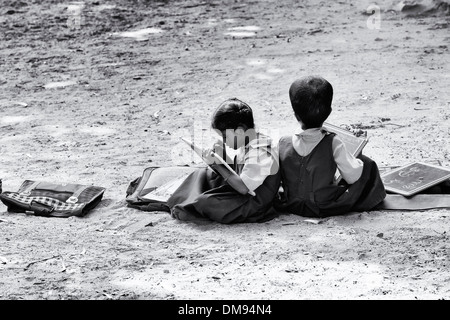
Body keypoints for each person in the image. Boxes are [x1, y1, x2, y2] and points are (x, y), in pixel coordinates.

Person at [275, 76, 386, 217]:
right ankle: (371, 200)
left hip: (292, 204)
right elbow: (352, 176)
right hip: (322, 207)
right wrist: (357, 157)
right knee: (367, 165)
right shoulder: (333, 141)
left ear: (296, 115)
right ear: (329, 112)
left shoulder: (284, 142)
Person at [167, 98, 280, 224]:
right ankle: (188, 201)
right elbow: (239, 171)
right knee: (203, 174)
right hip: (243, 191)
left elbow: (243, 188)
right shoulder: (249, 140)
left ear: (240, 131)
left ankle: (192, 207)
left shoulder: (260, 151)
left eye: (225, 136)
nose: (225, 141)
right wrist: (223, 157)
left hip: (254, 204)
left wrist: (218, 165)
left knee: (206, 202)